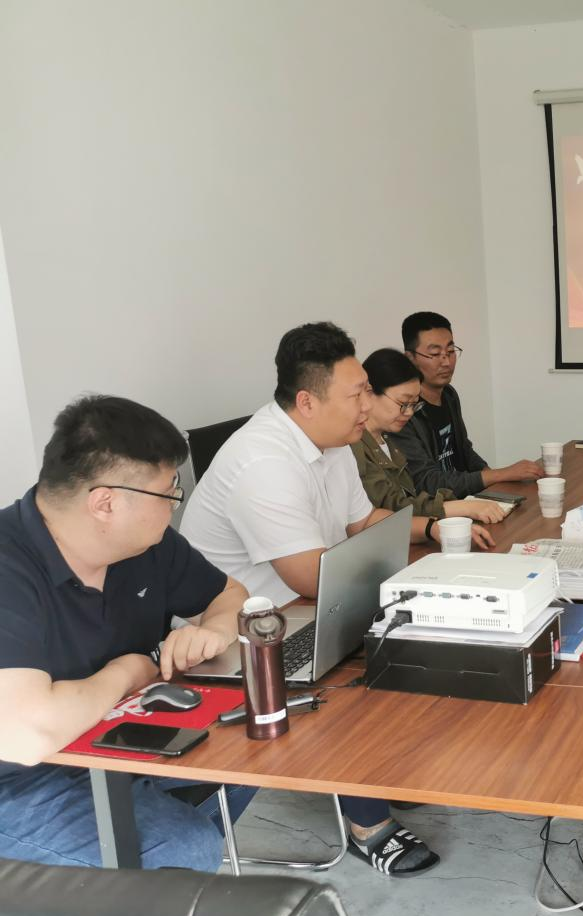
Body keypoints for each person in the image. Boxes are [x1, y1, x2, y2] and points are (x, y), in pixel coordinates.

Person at [181, 322, 488, 877]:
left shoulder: (334, 440)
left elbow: (364, 524)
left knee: (419, 623)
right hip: (241, 633)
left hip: (302, 605)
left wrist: (434, 535)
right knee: (363, 658)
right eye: (357, 394)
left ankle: (387, 768)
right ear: (307, 401)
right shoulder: (264, 461)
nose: (367, 406)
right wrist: (401, 577)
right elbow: (312, 578)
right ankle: (369, 824)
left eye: (367, 390)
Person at [0, 395, 253, 871]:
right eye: (169, 493)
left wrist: (214, 631)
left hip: (115, 740)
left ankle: (135, 890)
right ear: (105, 503)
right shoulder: (10, 567)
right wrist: (128, 672)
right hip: (19, 779)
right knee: (183, 847)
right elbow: (24, 734)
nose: (175, 506)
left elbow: (230, 595)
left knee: (256, 750)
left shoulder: (144, 545)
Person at [392, 311, 543, 496]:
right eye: (435, 353)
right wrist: (500, 474)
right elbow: (427, 482)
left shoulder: (449, 395)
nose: (446, 361)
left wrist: (498, 481)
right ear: (410, 358)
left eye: (450, 351)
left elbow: (464, 451)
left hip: (465, 498)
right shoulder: (403, 413)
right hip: (437, 507)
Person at [354, 348, 507, 525]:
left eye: (414, 405)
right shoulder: (354, 447)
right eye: (403, 403)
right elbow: (393, 508)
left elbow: (411, 497)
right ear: (369, 392)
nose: (409, 413)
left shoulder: (388, 441)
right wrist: (462, 507)